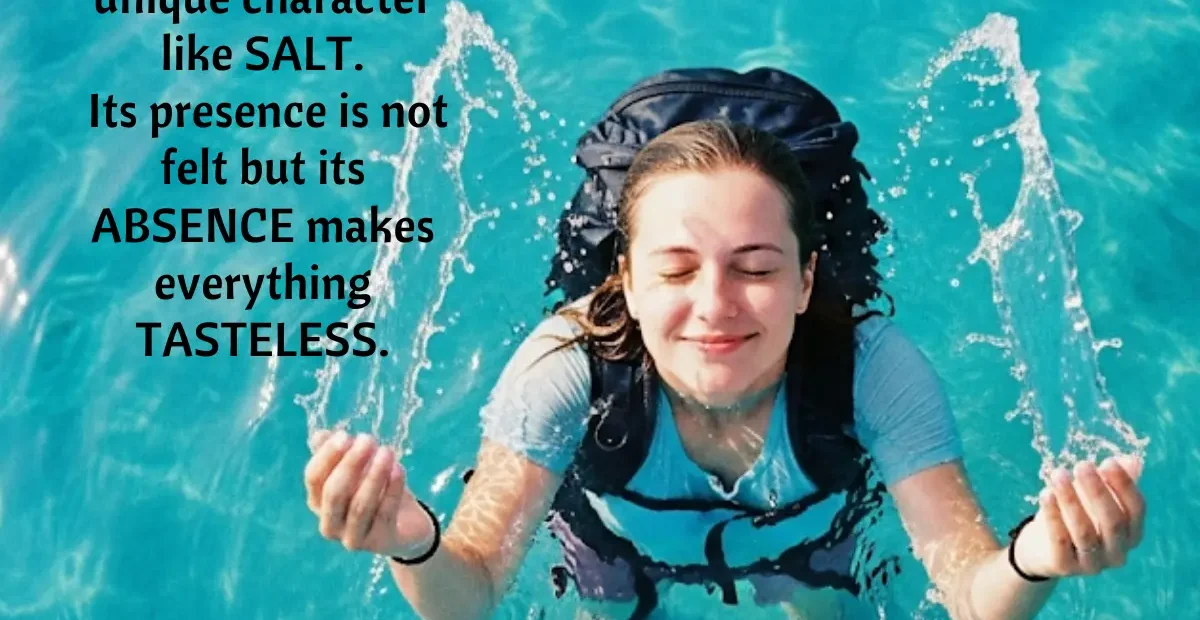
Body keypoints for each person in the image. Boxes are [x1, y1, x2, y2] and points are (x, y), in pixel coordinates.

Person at [301, 71, 1147, 620]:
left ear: (808, 281)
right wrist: (408, 538)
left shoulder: (873, 371)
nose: (715, 306)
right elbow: (474, 587)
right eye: (676, 271)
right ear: (626, 282)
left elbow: (968, 586)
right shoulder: (565, 371)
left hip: (813, 546)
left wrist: (1037, 555)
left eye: (756, 267)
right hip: (613, 551)